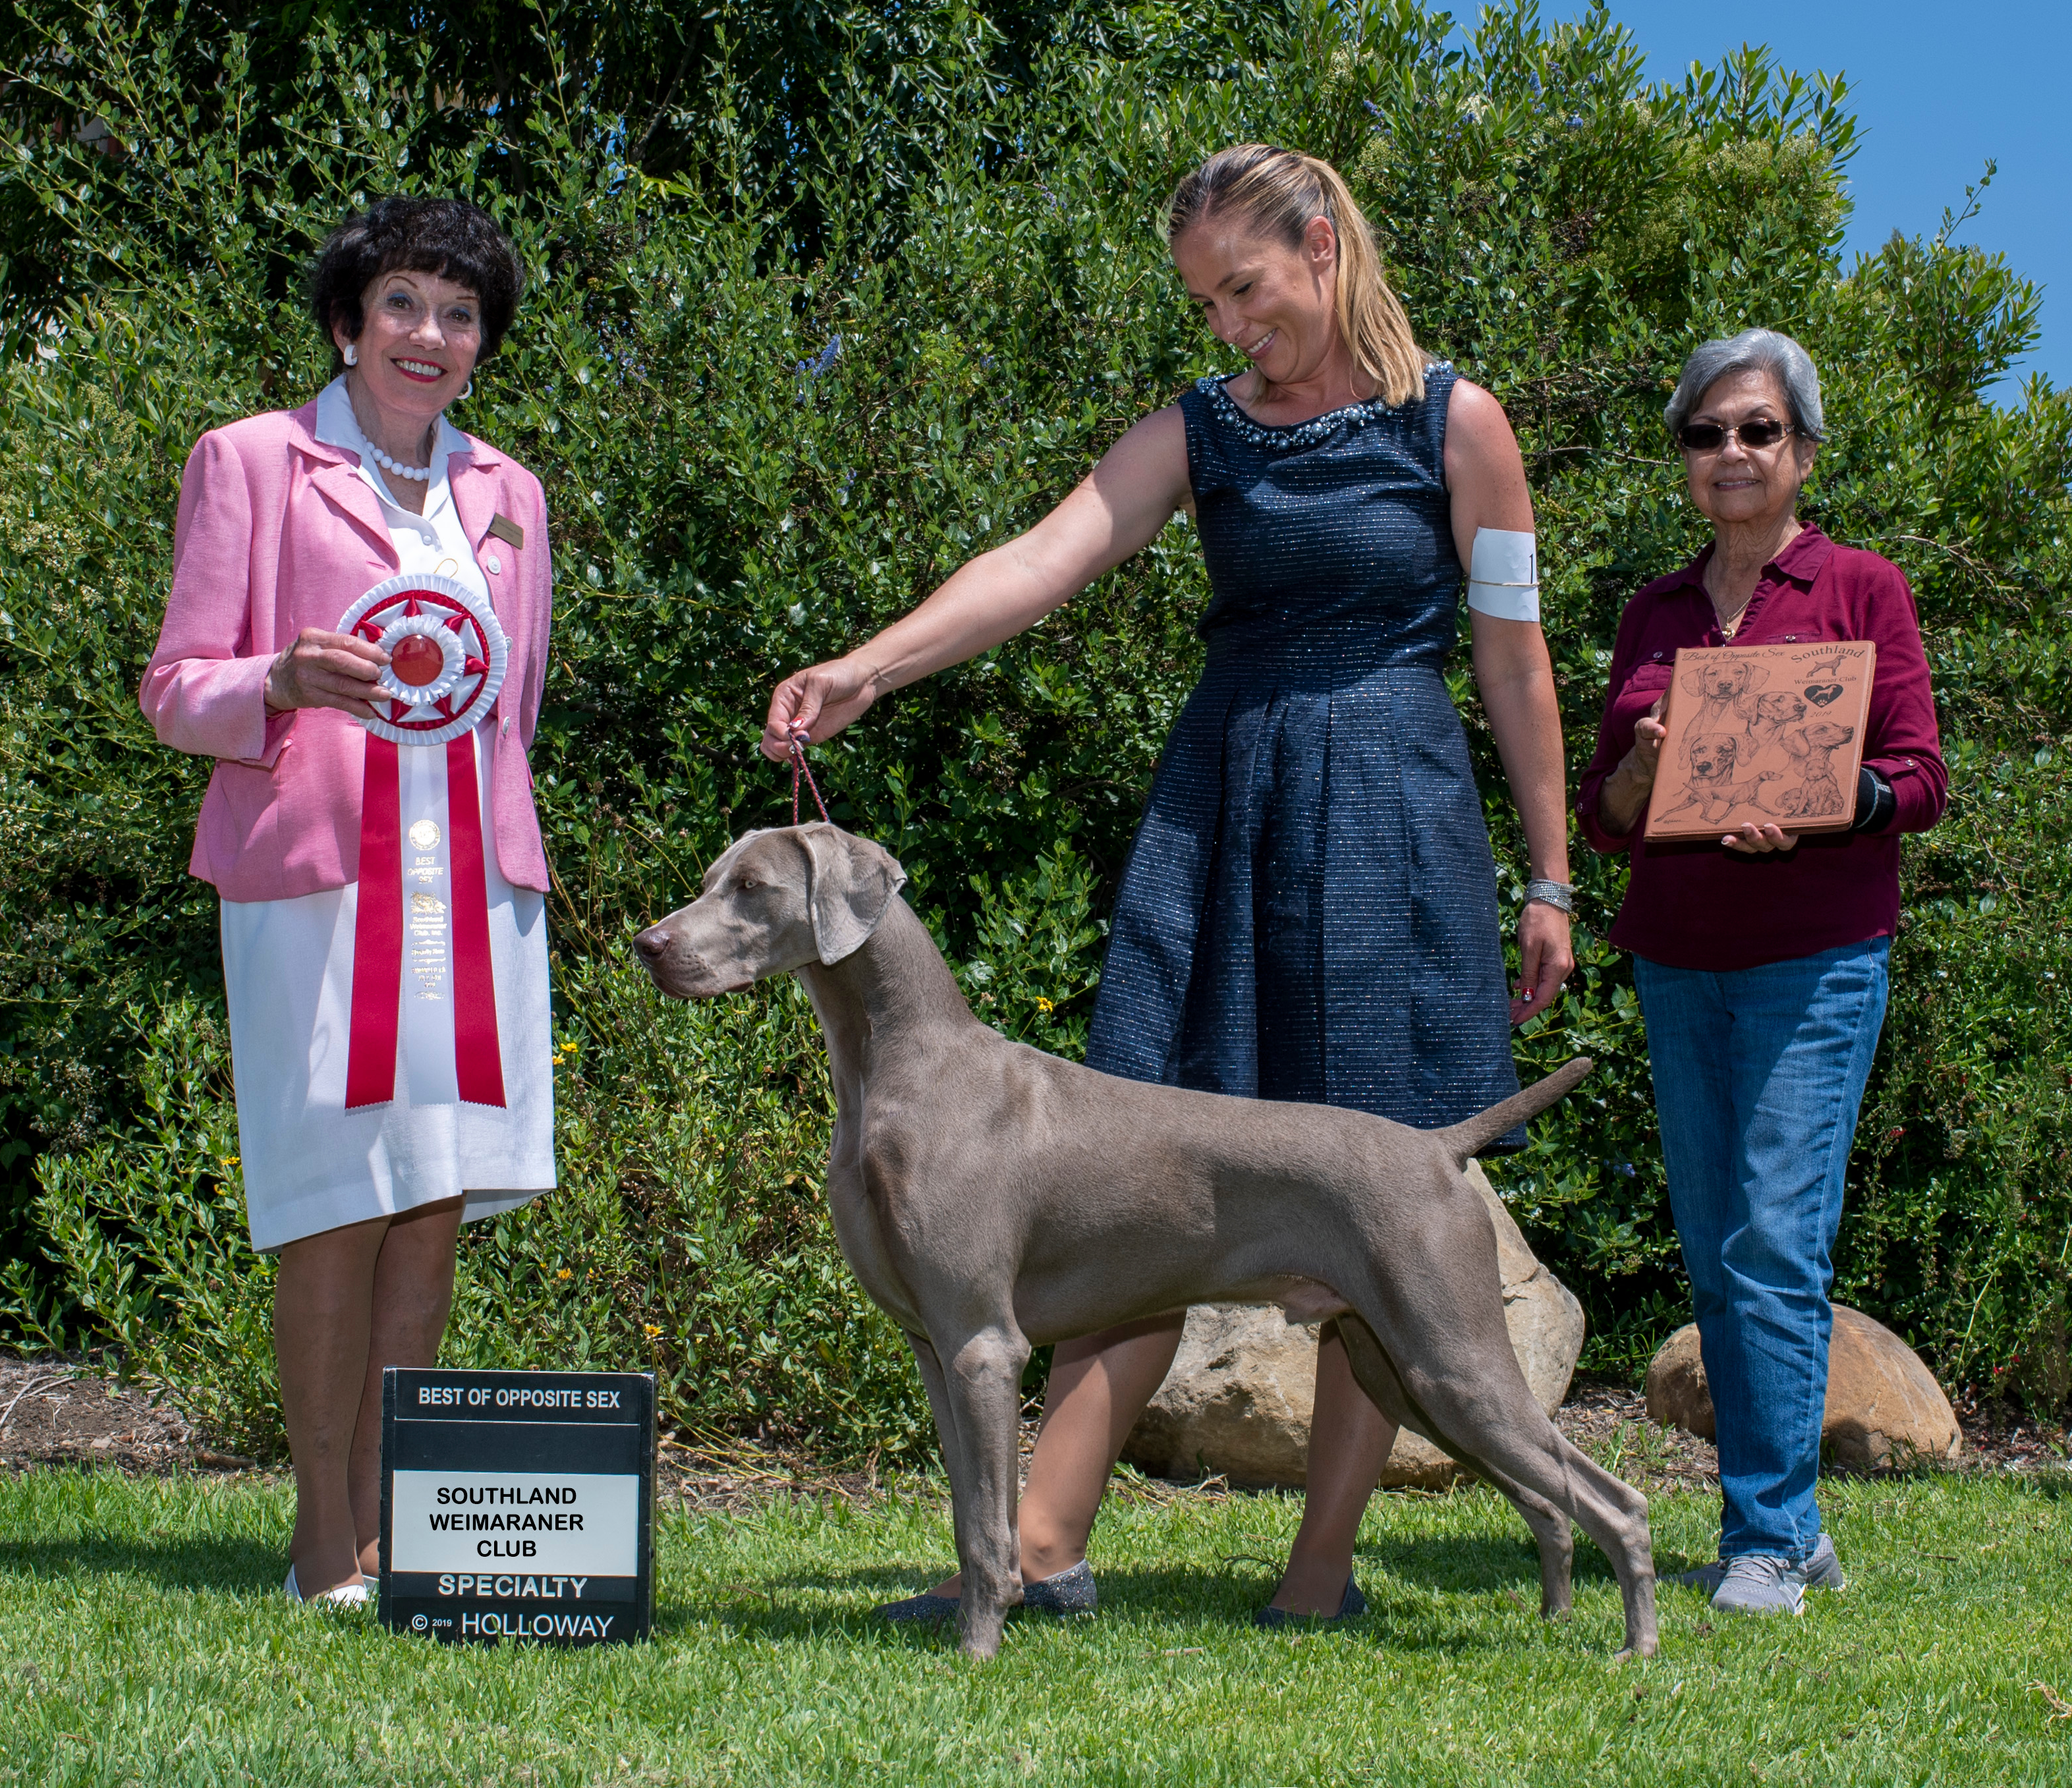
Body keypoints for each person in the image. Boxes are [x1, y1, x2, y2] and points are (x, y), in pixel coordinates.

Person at [764, 144, 1577, 1623]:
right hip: (1228, 809)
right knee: (1141, 1178)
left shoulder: (1462, 425)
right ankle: (1040, 1550)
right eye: (1204, 303)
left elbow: (1513, 661)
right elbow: (1042, 557)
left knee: (1371, 1202)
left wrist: (1551, 875)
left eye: (1245, 289)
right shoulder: (1198, 431)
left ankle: (1320, 1571)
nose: (1227, 327)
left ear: (1323, 243)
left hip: (1393, 821)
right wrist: (868, 667)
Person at [142, 197, 557, 1602]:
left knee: (429, 1201)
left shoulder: (511, 492)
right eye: (401, 304)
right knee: (332, 1200)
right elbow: (173, 686)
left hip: (476, 885)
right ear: (346, 322)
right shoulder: (251, 462)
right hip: (314, 884)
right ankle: (324, 1537)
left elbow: (517, 708)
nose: (428, 334)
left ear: (480, 343)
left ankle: (401, 1532)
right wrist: (278, 682)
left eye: (458, 312)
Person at [1575, 328, 1947, 1615]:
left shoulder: (1862, 590)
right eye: (1706, 433)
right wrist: (1644, 765)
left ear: (1799, 450)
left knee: (1774, 1244)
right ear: (1682, 454)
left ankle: (1767, 1539)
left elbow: (1919, 777)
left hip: (1817, 962)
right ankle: (1786, 1518)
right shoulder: (1652, 614)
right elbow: (1606, 812)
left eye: (1757, 431)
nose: (1731, 453)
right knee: (1715, 1249)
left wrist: (1822, 798)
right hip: (1678, 960)